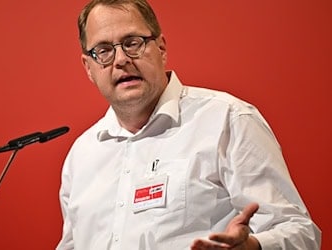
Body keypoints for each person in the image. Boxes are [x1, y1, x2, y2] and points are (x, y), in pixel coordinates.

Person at [56, 0, 321, 249]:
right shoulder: (81, 155)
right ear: (88, 68)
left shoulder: (226, 119)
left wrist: (254, 246)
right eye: (103, 51)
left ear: (161, 48)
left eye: (132, 43)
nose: (121, 59)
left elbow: (299, 231)